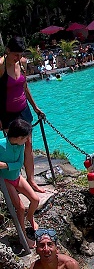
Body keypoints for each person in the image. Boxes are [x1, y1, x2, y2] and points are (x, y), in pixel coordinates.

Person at [0, 37, 45, 194]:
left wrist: (35, 107)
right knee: (12, 147)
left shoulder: (22, 63)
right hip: (7, 112)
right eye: (15, 55)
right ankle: (15, 180)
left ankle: (31, 180)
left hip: (23, 109)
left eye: (20, 55)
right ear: (7, 51)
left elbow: (25, 88)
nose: (18, 58)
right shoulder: (1, 66)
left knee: (28, 144)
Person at [0, 119, 40, 246]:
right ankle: (22, 236)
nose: (28, 140)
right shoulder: (1, 145)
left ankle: (30, 217)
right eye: (26, 138)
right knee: (20, 208)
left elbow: (19, 163)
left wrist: (4, 165)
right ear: (18, 137)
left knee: (35, 200)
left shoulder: (20, 145)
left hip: (16, 177)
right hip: (6, 180)